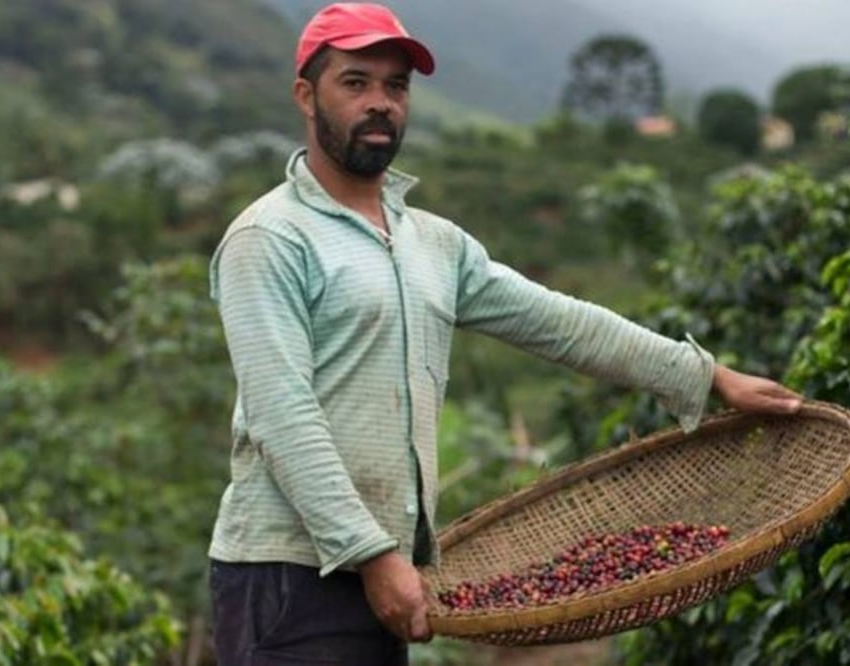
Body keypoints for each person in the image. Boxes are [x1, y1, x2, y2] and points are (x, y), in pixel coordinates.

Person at [206, 3, 803, 664]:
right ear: (305, 95)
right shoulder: (270, 239)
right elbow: (280, 415)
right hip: (289, 574)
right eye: (355, 82)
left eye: (395, 87)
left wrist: (707, 377)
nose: (380, 102)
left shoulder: (432, 243)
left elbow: (560, 322)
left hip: (386, 571)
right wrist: (371, 554)